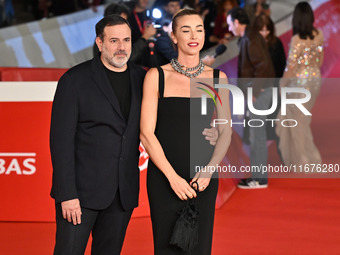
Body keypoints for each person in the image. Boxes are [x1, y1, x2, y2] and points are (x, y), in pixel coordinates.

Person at [50, 15, 146, 255]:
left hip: (122, 194)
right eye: (114, 40)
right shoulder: (74, 80)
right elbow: (60, 142)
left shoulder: (143, 78)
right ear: (100, 43)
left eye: (126, 40)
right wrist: (68, 194)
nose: (122, 47)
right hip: (80, 195)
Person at [140, 8, 232, 254]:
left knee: (199, 248)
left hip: (203, 176)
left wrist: (210, 169)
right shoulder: (156, 76)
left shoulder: (217, 78)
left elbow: (226, 131)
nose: (194, 35)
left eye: (199, 29)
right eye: (186, 30)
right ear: (173, 36)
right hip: (163, 177)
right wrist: (172, 178)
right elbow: (146, 133)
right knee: (165, 246)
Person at [226, 7, 275, 188]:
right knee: (256, 134)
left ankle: (259, 178)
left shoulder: (251, 38)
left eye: (230, 23)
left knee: (257, 135)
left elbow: (262, 66)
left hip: (259, 93)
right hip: (259, 92)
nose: (229, 28)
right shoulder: (248, 37)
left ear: (237, 22)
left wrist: (254, 91)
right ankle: (257, 176)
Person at [275, 1, 323, 166]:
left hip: (299, 83)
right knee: (303, 119)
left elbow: (291, 66)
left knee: (297, 120)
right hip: (315, 79)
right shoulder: (319, 35)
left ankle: (302, 158)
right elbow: (320, 60)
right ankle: (308, 157)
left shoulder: (296, 40)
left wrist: (282, 84)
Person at [251, 13, 286, 142]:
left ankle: (275, 135)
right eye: (261, 30)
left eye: (267, 29)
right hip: (260, 88)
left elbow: (282, 64)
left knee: (275, 115)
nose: (265, 33)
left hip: (275, 86)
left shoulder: (276, 43)